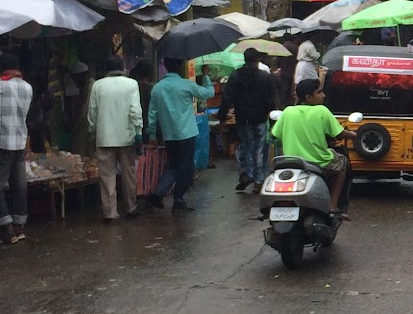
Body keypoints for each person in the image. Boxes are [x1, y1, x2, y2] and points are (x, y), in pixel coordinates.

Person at [270, 78, 351, 212]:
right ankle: (332, 204)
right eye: (319, 92)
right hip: (318, 162)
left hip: (290, 162)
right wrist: (354, 135)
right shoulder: (322, 111)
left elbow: (274, 135)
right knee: (342, 163)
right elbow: (340, 133)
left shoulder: (288, 111)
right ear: (308, 97)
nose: (323, 95)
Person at [145, 59, 214, 212]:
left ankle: (158, 193)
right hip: (187, 133)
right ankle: (178, 199)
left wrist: (151, 134)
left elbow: (152, 113)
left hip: (169, 134)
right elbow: (208, 93)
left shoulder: (157, 88)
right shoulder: (186, 85)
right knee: (185, 167)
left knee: (173, 165)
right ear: (179, 67)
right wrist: (206, 75)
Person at [0, 52, 33, 245]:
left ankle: (7, 228)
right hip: (20, 143)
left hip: (0, 143)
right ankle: (20, 226)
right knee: (19, 185)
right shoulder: (27, 87)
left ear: (0, 67)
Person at [89, 55, 143, 222]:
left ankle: (110, 213)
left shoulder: (97, 85)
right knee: (129, 174)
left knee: (107, 176)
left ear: (106, 69)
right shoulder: (131, 84)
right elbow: (135, 110)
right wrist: (138, 131)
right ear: (122, 67)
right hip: (127, 137)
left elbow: (92, 112)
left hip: (104, 137)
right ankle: (131, 208)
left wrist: (93, 132)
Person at [222, 47, 276, 192]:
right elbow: (271, 101)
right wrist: (272, 120)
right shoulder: (265, 77)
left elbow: (227, 97)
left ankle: (245, 173)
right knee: (259, 149)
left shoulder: (235, 75)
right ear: (258, 60)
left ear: (244, 59)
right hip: (260, 118)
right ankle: (258, 181)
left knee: (244, 146)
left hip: (242, 119)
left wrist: (222, 117)